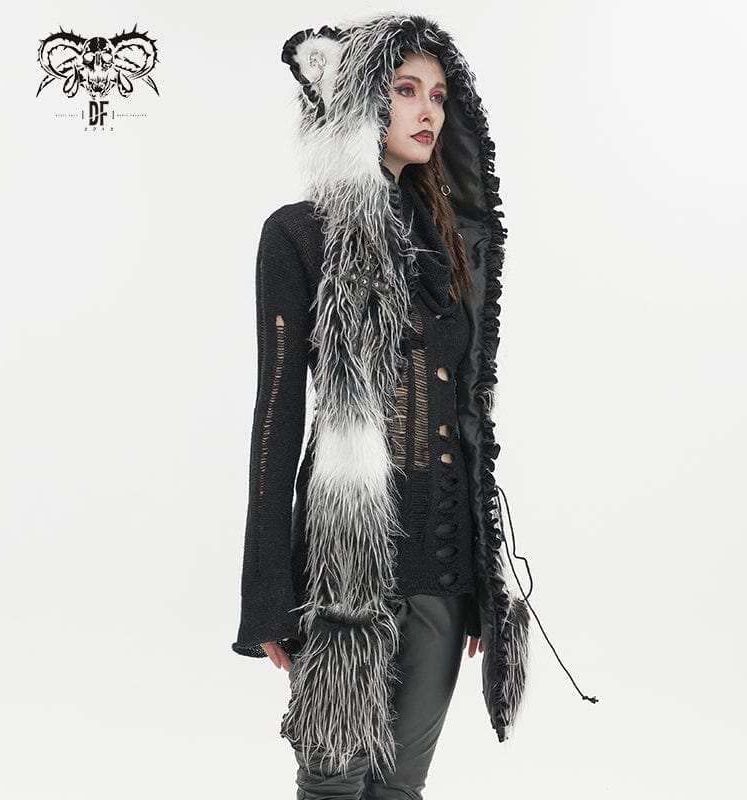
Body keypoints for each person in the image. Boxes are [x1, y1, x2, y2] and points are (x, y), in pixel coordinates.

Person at [231, 13, 532, 799]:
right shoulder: (298, 235)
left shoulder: (449, 249)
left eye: (438, 95)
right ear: (362, 97)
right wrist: (267, 591)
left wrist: (483, 575)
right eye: (405, 90)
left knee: (399, 789)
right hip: (345, 566)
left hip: (442, 561)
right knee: (333, 783)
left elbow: (469, 419)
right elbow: (276, 417)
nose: (428, 110)